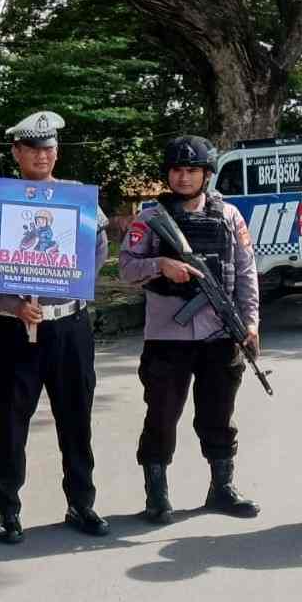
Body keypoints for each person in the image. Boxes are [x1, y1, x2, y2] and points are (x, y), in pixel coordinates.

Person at [0, 111, 110, 542]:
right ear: (17, 152)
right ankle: (7, 510)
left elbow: (99, 246)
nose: (41, 155)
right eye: (32, 148)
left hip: (69, 326)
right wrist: (12, 303)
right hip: (17, 331)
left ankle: (81, 503)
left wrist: (74, 282)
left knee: (76, 419)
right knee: (11, 423)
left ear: (56, 151)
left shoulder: (76, 198)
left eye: (48, 148)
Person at [119, 136, 262, 523]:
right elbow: (126, 268)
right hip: (167, 336)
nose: (184, 178)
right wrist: (160, 265)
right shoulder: (150, 219)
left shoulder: (229, 216)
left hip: (220, 334)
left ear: (206, 175)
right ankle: (157, 495)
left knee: (219, 415)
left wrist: (250, 323)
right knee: (162, 416)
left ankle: (222, 488)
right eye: (177, 170)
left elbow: (245, 272)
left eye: (192, 171)